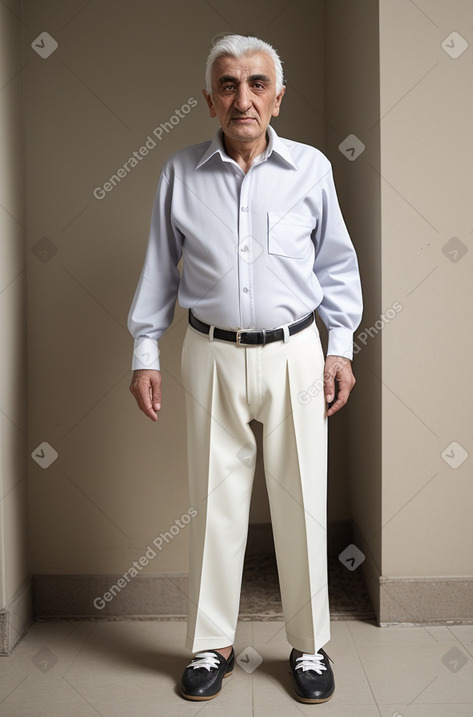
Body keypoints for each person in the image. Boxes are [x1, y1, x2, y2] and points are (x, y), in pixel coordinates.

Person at [127, 34, 363, 704]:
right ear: (209, 99)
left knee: (302, 501)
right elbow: (156, 273)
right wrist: (146, 350)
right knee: (216, 500)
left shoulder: (313, 170)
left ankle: (310, 644)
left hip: (296, 352)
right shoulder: (179, 173)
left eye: (257, 84)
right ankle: (211, 643)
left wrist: (339, 345)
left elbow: (336, 266)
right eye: (228, 84)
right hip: (210, 352)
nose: (243, 97)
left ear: (278, 97)